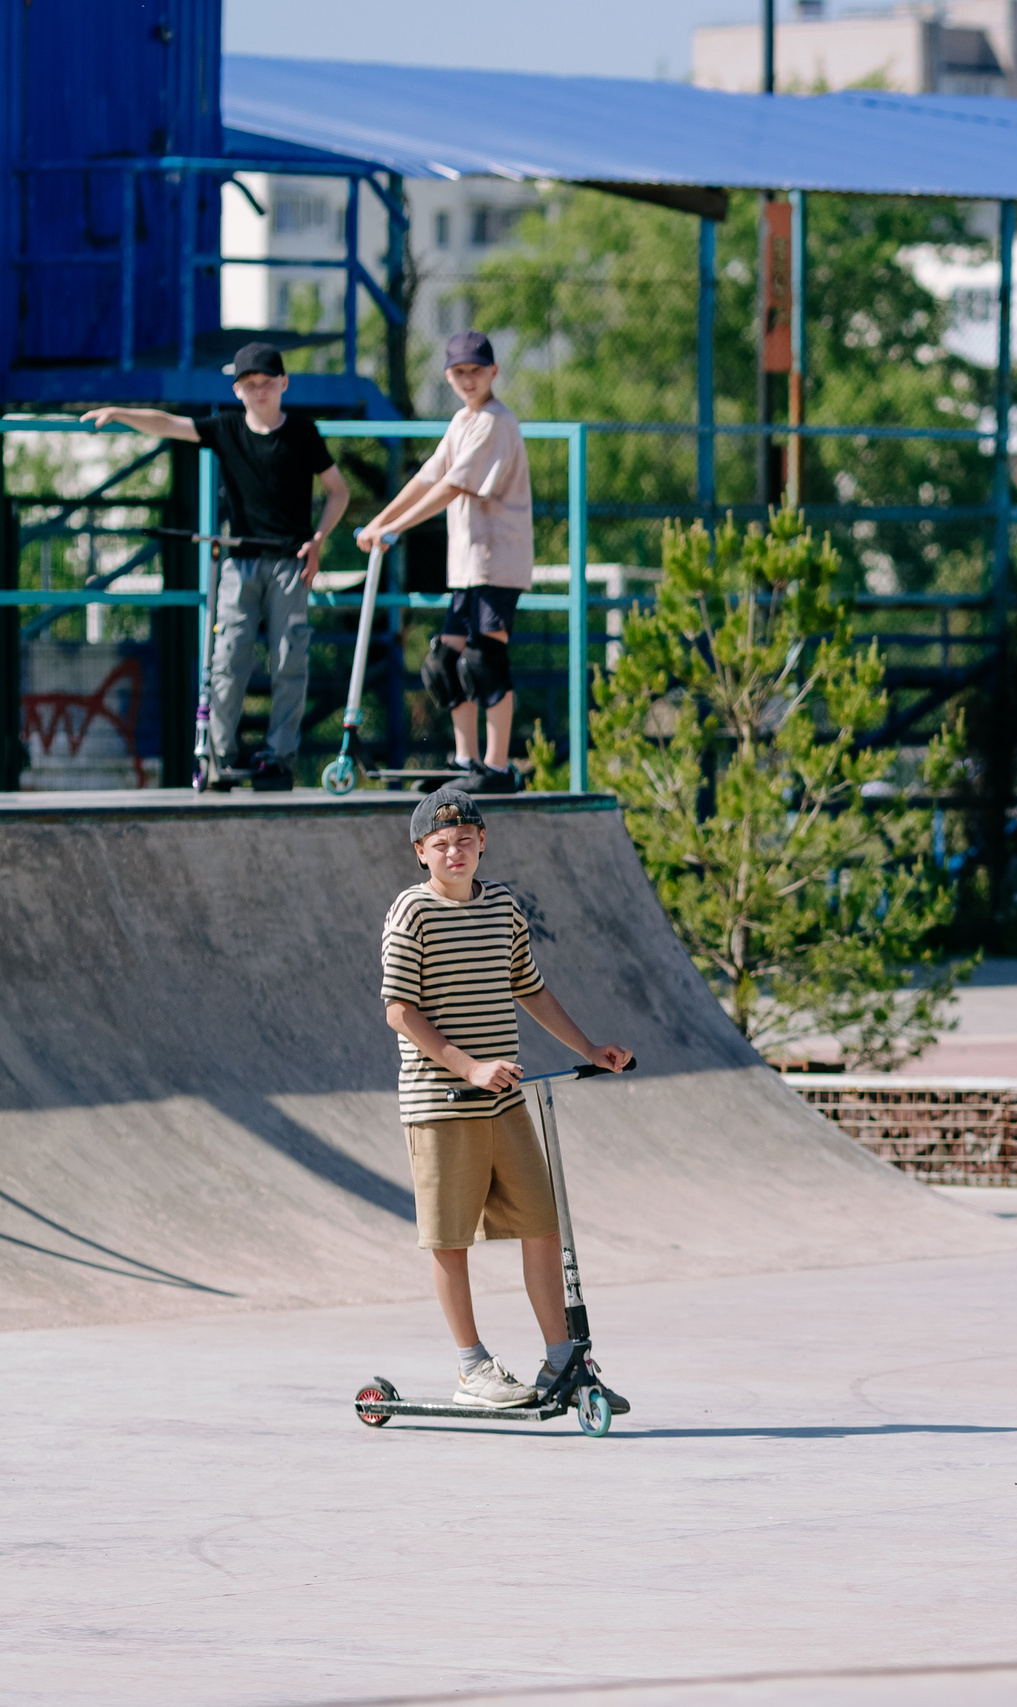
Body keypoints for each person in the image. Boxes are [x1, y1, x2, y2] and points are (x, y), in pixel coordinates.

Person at [383, 787, 633, 1409]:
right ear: (421, 852)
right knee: (450, 1241)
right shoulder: (410, 913)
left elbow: (532, 989)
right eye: (441, 845)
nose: (455, 852)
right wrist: (468, 1067)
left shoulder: (502, 908)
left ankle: (560, 1363)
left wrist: (587, 1047)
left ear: (483, 842)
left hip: (505, 1103)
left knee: (542, 1227)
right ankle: (472, 1368)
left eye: (466, 841)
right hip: (442, 1106)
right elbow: (399, 1011)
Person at [82, 342, 349, 790]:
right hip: (239, 564)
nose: (259, 393)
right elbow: (169, 424)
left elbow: (337, 491)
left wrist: (318, 540)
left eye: (267, 384)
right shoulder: (225, 428)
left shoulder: (303, 434)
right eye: (250, 386)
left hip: (290, 565)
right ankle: (220, 757)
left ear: (283, 384)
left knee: (290, 659)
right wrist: (121, 412)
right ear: (237, 390)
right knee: (228, 659)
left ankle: (279, 757)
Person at [358, 331, 535, 795]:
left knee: (485, 659)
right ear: (448, 376)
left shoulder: (496, 422)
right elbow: (427, 477)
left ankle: (496, 768)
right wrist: (379, 521)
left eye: (476, 371)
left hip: (498, 561)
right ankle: (466, 760)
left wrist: (397, 529)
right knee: (443, 662)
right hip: (468, 566)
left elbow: (455, 486)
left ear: (493, 373)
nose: (468, 380)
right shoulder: (462, 421)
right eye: (459, 373)